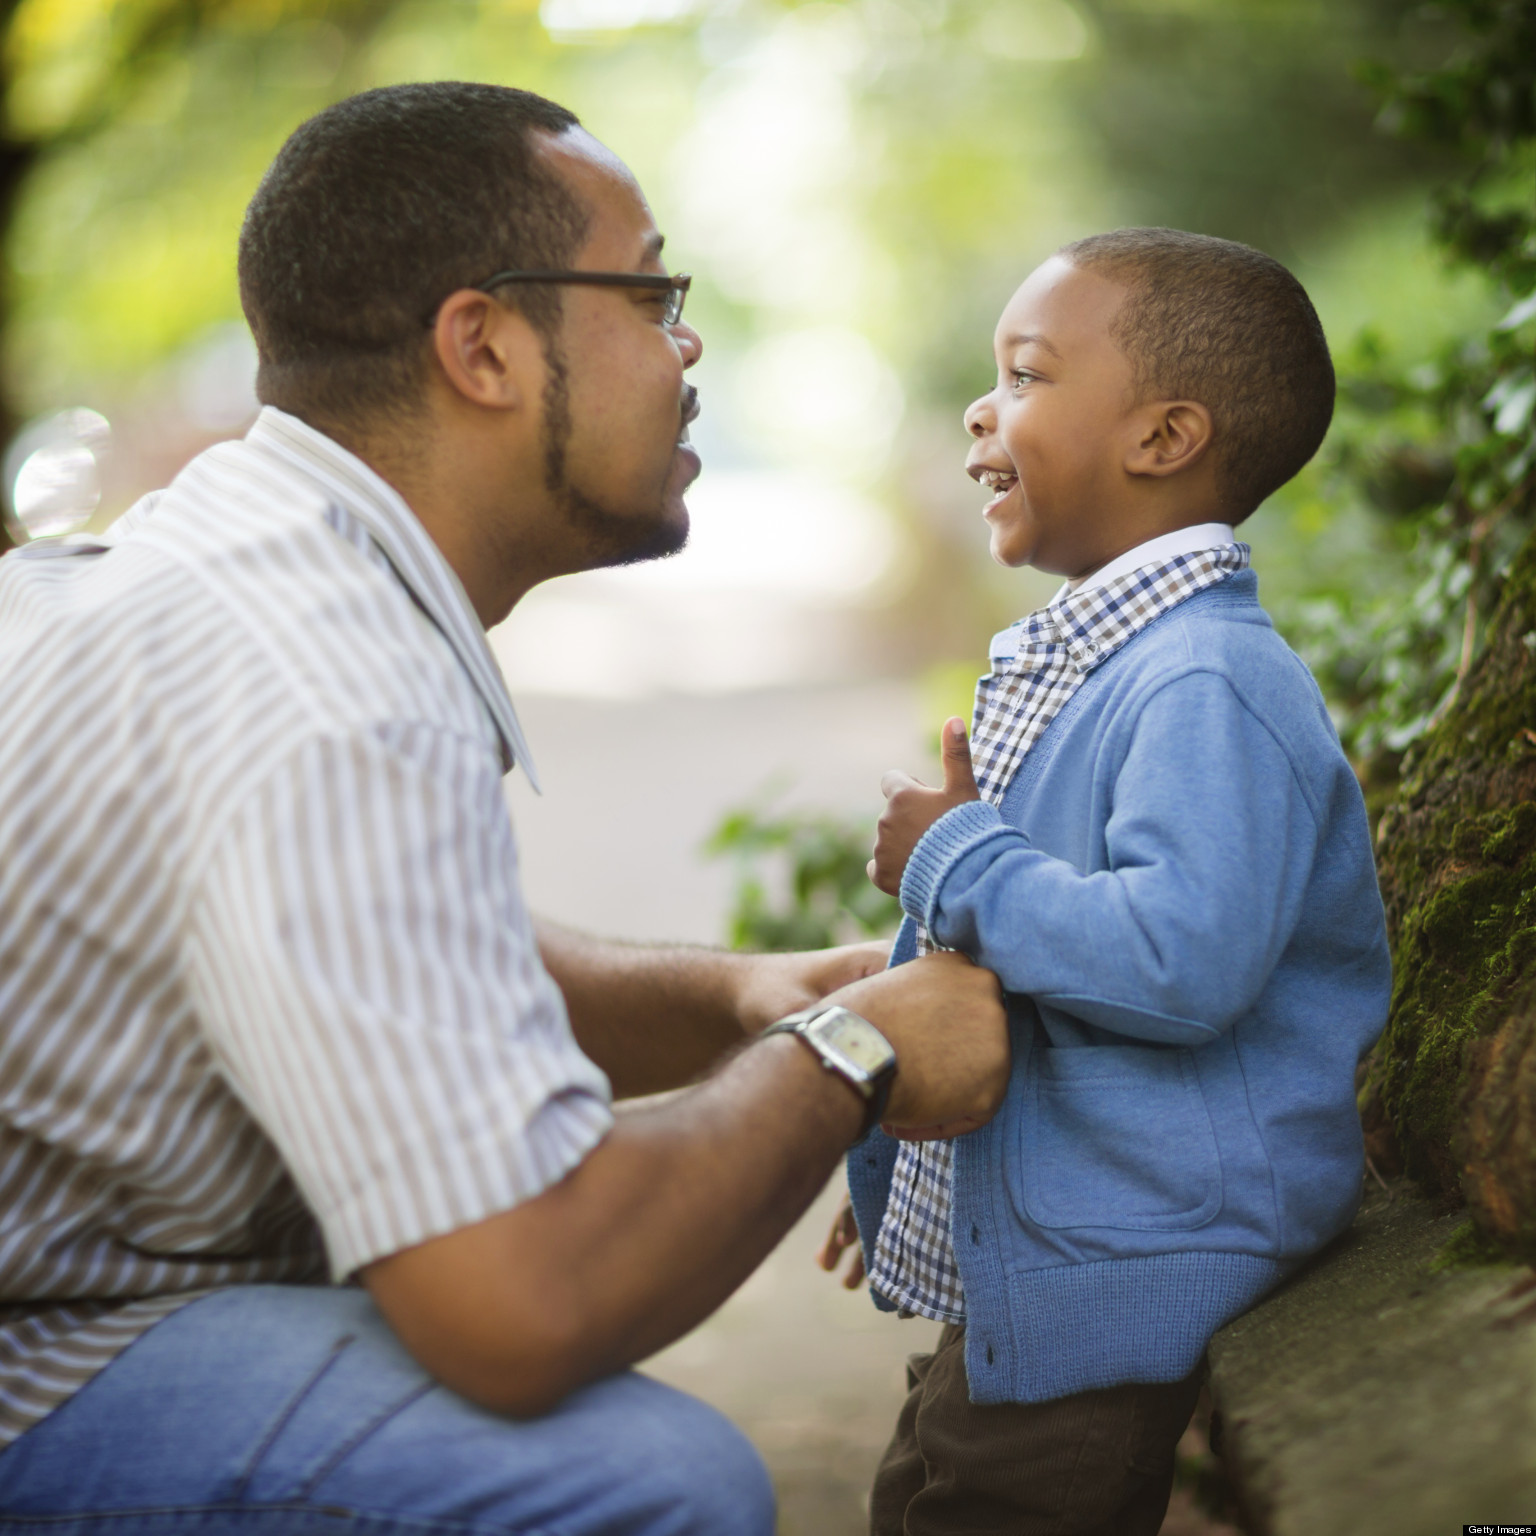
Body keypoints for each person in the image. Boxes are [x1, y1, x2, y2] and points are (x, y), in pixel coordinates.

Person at [0, 83, 1012, 1533]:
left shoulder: (225, 568)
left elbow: (383, 961)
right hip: (35, 1367)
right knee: (646, 1489)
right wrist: (847, 1053)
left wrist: (743, 997)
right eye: (652, 291)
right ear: (480, 345)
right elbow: (526, 1298)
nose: (690, 342)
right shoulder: (322, 684)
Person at [818, 228, 1393, 1535]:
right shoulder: (1105, 664)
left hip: (1129, 1264)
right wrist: (886, 1157)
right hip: (1067, 1251)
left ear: (1162, 437)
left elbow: (1181, 962)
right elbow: (1001, 978)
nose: (981, 408)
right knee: (920, 1492)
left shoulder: (1205, 681)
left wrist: (955, 853)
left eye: (1024, 375)